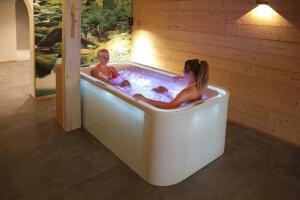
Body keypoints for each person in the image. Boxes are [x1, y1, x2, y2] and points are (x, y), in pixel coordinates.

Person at [133, 59, 209, 109]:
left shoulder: (188, 91)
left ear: (190, 73)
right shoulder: (201, 84)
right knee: (160, 89)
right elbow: (185, 99)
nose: (182, 71)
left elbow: (169, 106)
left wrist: (146, 99)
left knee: (155, 91)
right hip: (184, 106)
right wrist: (167, 93)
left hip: (178, 113)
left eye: (184, 70)